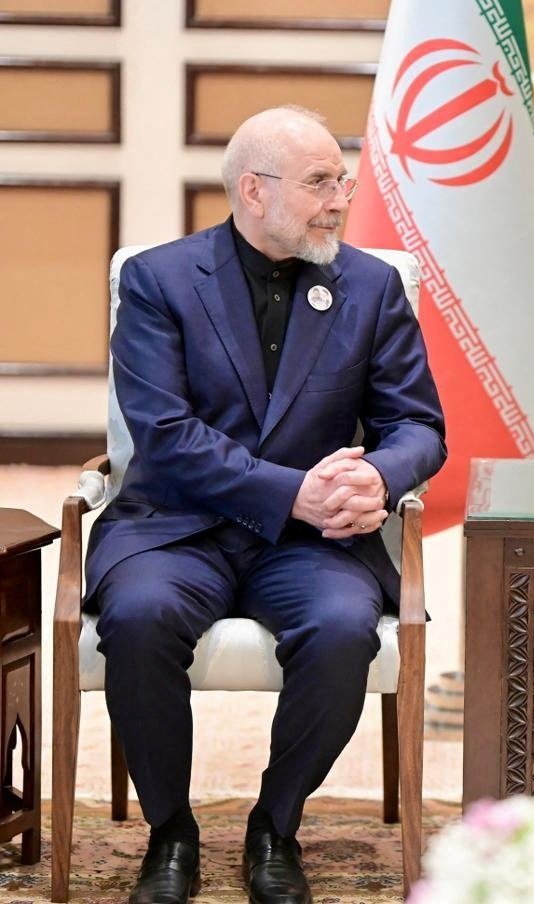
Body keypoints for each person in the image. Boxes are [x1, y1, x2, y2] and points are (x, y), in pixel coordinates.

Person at [84, 106, 446, 904]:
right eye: (320, 182)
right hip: (178, 526)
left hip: (312, 544)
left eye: (341, 180)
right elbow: (165, 435)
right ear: (254, 190)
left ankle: (275, 828)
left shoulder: (371, 285)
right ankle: (170, 831)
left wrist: (378, 479)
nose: (339, 200)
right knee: (140, 619)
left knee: (344, 628)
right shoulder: (159, 279)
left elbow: (417, 423)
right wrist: (298, 493)